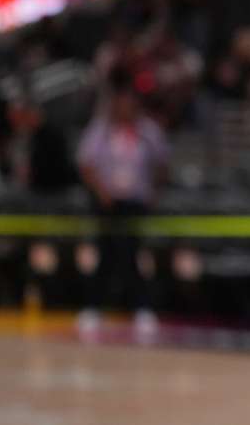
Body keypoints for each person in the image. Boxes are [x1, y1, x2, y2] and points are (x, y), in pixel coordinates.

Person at [75, 67, 170, 342]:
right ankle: (93, 308)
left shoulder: (148, 132)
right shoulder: (101, 130)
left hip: (135, 202)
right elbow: (86, 163)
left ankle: (141, 309)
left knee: (132, 255)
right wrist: (100, 191)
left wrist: (154, 191)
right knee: (104, 254)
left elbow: (163, 164)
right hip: (107, 202)